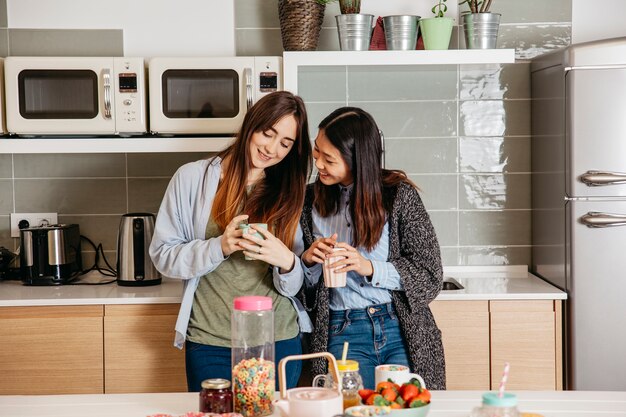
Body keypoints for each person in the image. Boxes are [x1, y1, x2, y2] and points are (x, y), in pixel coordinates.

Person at [149, 91, 313, 392]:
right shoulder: (191, 178)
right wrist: (220, 246)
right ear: (252, 125)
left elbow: (295, 284)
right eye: (268, 133)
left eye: (285, 144)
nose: (272, 149)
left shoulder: (289, 193)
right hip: (210, 339)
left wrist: (288, 262)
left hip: (278, 339)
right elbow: (162, 255)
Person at [299, 107, 446, 390]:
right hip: (340, 330)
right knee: (349, 409)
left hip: (399, 328)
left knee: (407, 409)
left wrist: (367, 267)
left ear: (358, 161)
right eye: (317, 152)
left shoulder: (399, 196)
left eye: (329, 159)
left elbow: (430, 276)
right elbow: (301, 292)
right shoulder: (309, 202)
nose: (318, 164)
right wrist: (308, 260)